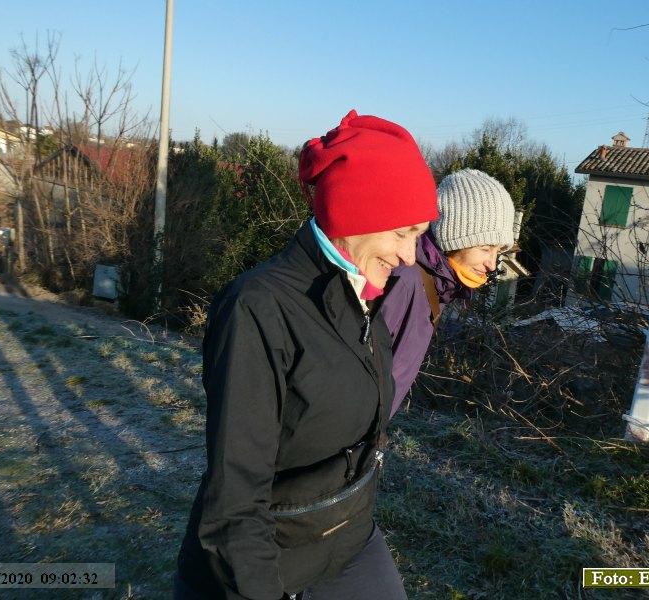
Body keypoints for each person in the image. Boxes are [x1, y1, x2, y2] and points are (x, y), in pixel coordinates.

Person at [175, 109, 438, 599]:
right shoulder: (257, 310)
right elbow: (235, 500)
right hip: (272, 562)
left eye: (419, 236)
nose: (409, 256)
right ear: (357, 213)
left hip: (349, 539)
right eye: (402, 233)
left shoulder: (363, 294)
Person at [381, 169, 516, 418]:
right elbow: (354, 370)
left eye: (498, 251)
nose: (492, 263)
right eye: (485, 248)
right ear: (453, 237)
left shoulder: (436, 285)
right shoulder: (407, 280)